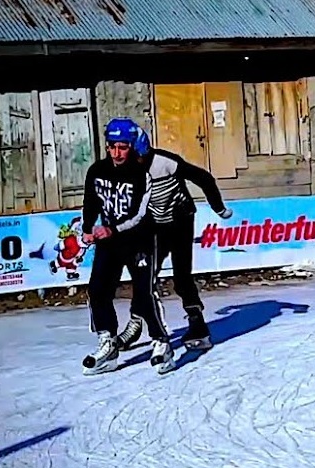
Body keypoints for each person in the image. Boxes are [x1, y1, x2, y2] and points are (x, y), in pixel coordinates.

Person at [115, 127, 232, 352]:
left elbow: (203, 178)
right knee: (144, 276)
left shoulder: (164, 162)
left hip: (180, 220)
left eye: (127, 151)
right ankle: (136, 325)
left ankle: (197, 323)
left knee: (181, 275)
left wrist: (219, 208)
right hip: (153, 226)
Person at [81, 118, 174, 375]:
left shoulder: (141, 174)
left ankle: (161, 342)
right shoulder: (96, 171)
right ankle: (107, 342)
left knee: (143, 293)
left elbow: (139, 215)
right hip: (109, 243)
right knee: (98, 289)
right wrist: (88, 229)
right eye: (112, 146)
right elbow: (91, 203)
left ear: (131, 146)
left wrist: (111, 229)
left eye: (122, 147)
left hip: (139, 240)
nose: (117, 153)